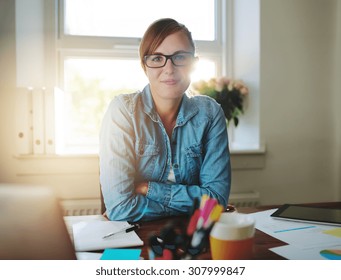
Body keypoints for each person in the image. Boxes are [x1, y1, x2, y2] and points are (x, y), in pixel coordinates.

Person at [99, 18, 231, 222]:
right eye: (157, 58)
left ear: (194, 63)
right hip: (135, 237)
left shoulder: (210, 113)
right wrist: (194, 206)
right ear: (145, 66)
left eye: (180, 57)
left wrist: (149, 189)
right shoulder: (123, 112)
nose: (169, 69)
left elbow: (217, 201)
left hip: (192, 237)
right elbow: (120, 208)